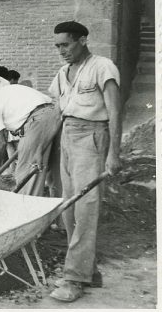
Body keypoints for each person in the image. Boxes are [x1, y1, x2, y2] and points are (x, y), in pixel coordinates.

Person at [47, 21, 121, 302]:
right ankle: (87, 271)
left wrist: (114, 153)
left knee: (85, 209)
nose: (61, 51)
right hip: (68, 136)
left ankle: (75, 278)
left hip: (92, 136)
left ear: (83, 40)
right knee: (68, 208)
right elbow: (58, 110)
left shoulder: (102, 67)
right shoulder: (63, 73)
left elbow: (114, 111)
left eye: (66, 44)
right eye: (58, 46)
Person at [0, 82, 61, 195]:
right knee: (54, 173)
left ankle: (26, 210)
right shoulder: (3, 94)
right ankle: (58, 208)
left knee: (26, 174)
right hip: (55, 114)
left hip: (37, 121)